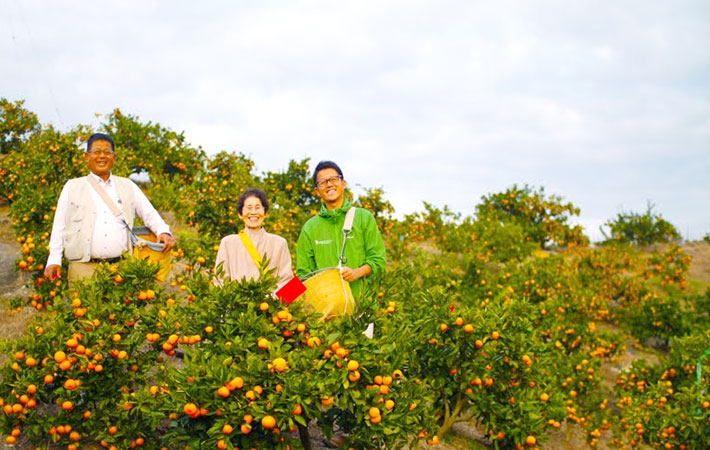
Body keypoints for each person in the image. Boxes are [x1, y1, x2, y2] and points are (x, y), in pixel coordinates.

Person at [44, 133, 175, 281]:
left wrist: (163, 231)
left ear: (114, 158)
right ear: (87, 157)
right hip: (83, 269)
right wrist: (54, 260)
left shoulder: (127, 186)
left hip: (121, 269)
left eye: (107, 152)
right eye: (97, 152)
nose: (102, 156)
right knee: (83, 303)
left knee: (120, 304)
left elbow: (149, 214)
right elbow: (60, 226)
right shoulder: (72, 187)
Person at [296, 160, 386, 301]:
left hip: (362, 309)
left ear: (343, 183)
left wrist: (357, 273)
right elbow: (304, 275)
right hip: (327, 313)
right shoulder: (310, 228)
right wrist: (277, 300)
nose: (329, 184)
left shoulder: (363, 218)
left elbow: (378, 261)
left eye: (334, 179)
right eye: (323, 182)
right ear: (316, 191)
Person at [214, 188, 293, 290]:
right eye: (249, 208)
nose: (253, 212)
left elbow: (289, 284)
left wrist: (269, 301)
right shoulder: (228, 243)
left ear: (265, 213)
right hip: (236, 305)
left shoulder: (279, 243)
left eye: (257, 207)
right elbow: (219, 281)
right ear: (240, 214)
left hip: (269, 304)